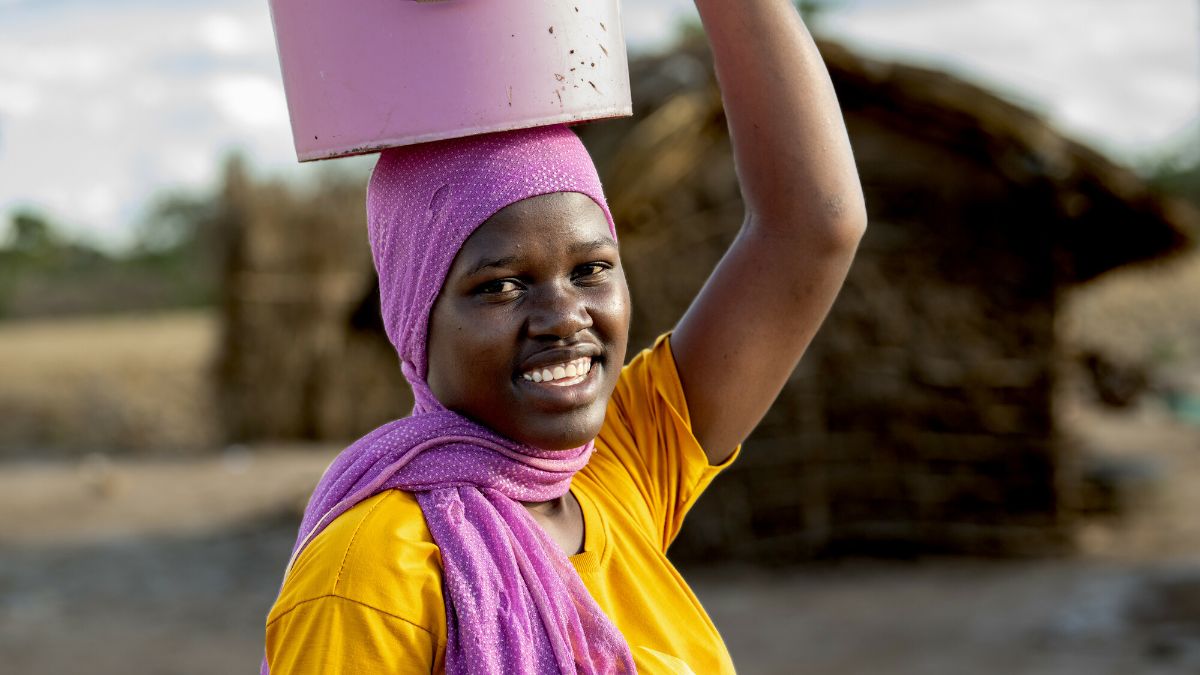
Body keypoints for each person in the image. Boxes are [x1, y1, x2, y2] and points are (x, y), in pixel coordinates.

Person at [262, 1, 865, 672]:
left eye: (590, 270)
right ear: (414, 316)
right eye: (500, 285)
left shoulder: (616, 473)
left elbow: (813, 228)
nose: (563, 315)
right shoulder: (371, 575)